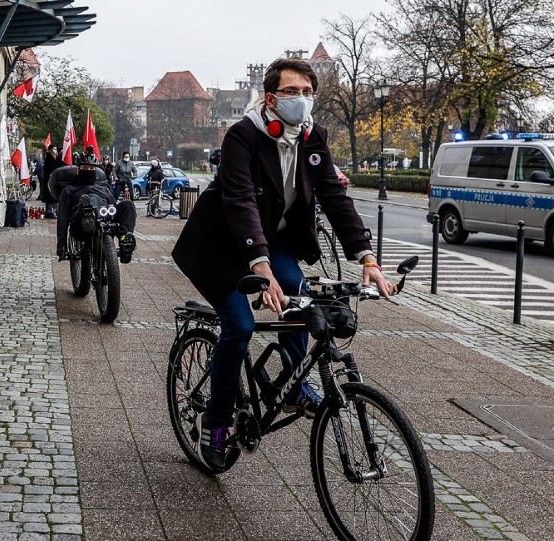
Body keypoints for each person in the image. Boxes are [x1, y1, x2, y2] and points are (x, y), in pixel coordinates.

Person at [172, 57, 395, 472]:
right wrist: (260, 268)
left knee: (303, 302)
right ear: (271, 98)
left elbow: (335, 198)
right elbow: (238, 200)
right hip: (218, 246)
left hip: (270, 242)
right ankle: (215, 424)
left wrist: (368, 258)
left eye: (309, 93)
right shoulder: (243, 136)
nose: (302, 100)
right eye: (293, 92)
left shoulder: (314, 139)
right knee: (238, 326)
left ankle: (291, 385)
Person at [56, 163, 137, 264]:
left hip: (105, 220)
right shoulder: (69, 190)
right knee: (91, 199)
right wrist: (61, 247)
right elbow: (62, 219)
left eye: (91, 168)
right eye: (85, 168)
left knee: (128, 205)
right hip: (80, 224)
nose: (88, 170)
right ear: (79, 170)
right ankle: (89, 215)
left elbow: (113, 207)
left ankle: (125, 241)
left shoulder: (104, 189)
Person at [41, 143, 62, 218]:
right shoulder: (49, 159)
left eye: (56, 149)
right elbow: (51, 169)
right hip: (49, 180)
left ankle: (50, 210)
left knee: (51, 196)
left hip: (52, 180)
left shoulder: (54, 158)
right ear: (50, 150)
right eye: (54, 149)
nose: (55, 151)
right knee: (49, 197)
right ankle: (49, 211)